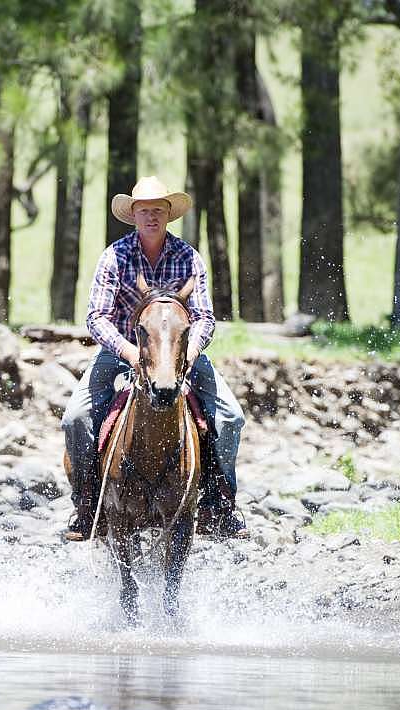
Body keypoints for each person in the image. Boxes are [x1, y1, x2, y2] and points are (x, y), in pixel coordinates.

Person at [61, 176, 246, 542]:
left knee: (230, 416)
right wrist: (130, 352)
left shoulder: (189, 258)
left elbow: (205, 317)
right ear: (133, 214)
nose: (151, 217)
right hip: (124, 351)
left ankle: (220, 503)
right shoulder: (114, 256)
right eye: (144, 210)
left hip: (179, 352)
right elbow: (96, 317)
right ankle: (86, 505)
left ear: (168, 215)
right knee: (75, 418)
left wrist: (189, 353)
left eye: (158, 211)